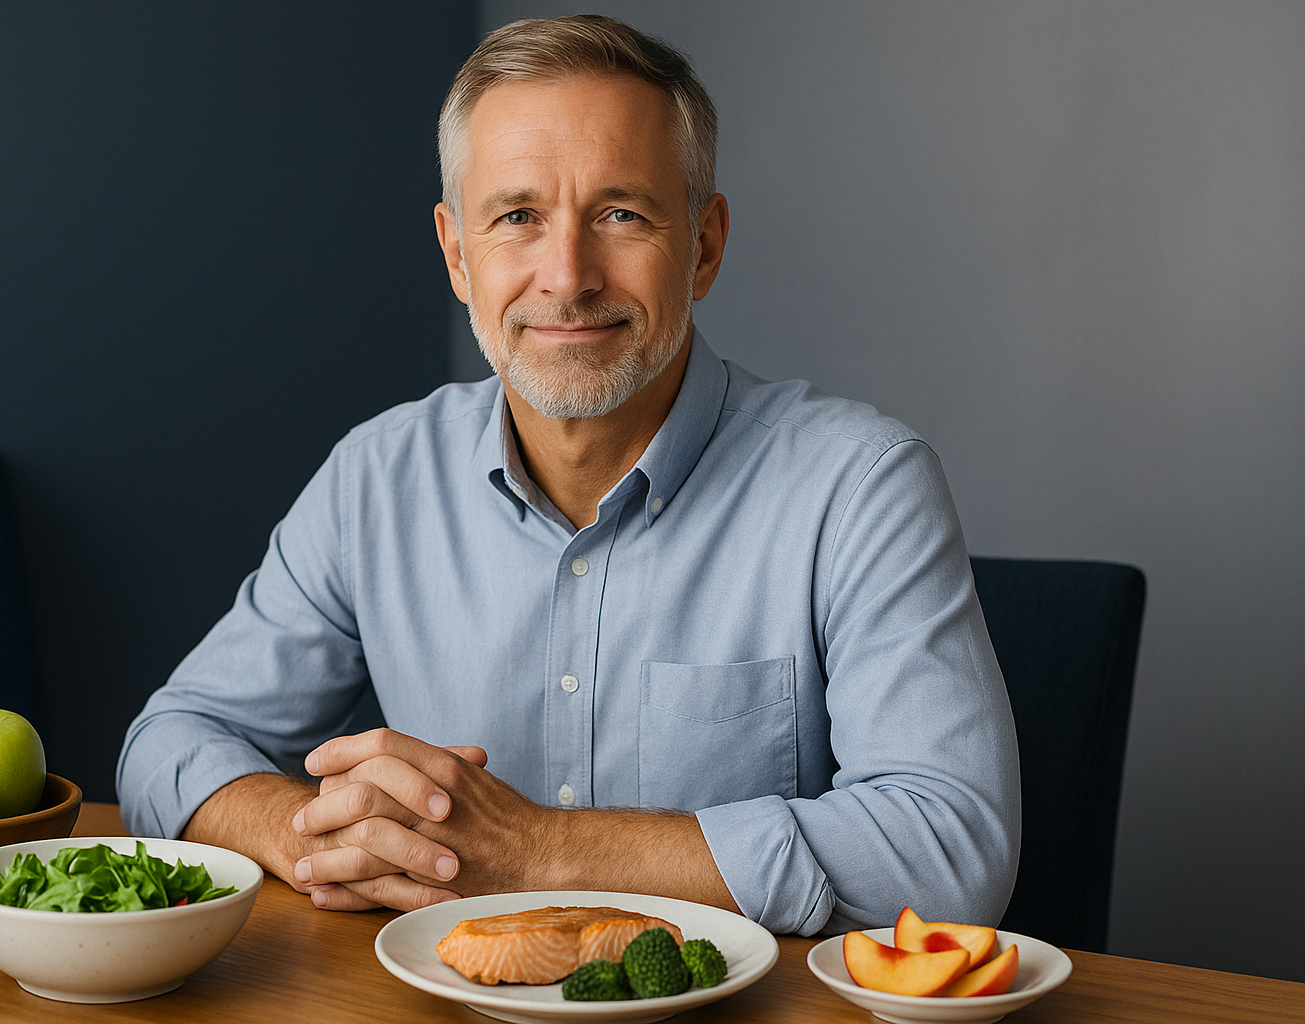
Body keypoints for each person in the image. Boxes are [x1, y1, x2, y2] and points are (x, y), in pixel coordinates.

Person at [117, 14, 1020, 936]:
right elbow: (168, 745)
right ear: (458, 253)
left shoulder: (862, 487)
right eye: (517, 218)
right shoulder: (374, 480)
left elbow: (950, 855)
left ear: (703, 246)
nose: (568, 275)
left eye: (620, 214)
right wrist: (323, 836)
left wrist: (540, 849)